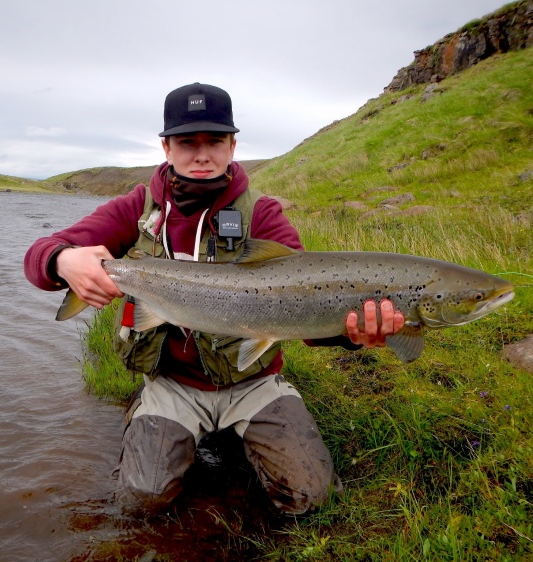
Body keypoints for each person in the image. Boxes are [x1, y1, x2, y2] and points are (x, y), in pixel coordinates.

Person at [24, 83, 404, 515]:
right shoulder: (137, 207)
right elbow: (38, 257)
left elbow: (307, 321)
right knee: (142, 501)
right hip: (174, 384)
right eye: (187, 142)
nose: (201, 155)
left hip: (253, 383)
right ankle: (152, 414)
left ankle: (238, 430)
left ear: (232, 145)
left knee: (310, 498)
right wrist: (64, 260)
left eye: (214, 142)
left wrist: (350, 333)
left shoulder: (262, 214)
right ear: (166, 147)